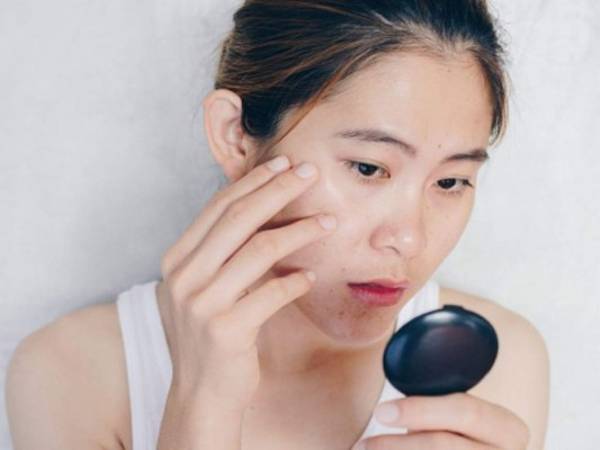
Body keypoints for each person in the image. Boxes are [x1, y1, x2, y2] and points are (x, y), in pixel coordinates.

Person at [5, 1, 550, 449]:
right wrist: (202, 405)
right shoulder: (73, 373)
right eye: (368, 168)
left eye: (451, 181)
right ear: (235, 136)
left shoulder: (495, 368)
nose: (409, 239)